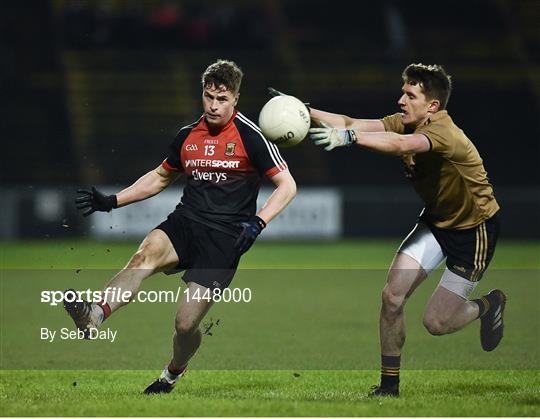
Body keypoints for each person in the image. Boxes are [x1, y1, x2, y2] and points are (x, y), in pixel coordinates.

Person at [67, 59, 297, 394]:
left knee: (185, 323)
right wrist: (113, 201)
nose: (214, 105)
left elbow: (287, 185)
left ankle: (173, 372)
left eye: (222, 99)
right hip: (186, 222)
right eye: (208, 97)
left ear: (235, 99)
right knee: (143, 255)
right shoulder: (188, 135)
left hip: (224, 239)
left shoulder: (252, 137)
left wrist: (258, 223)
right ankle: (95, 315)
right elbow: (161, 177)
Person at [275, 63, 505, 397]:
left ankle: (489, 306)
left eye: (410, 95)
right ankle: (389, 387)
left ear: (432, 106)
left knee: (436, 323)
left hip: (473, 231)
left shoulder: (445, 134)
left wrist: (350, 138)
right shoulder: (408, 121)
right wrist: (302, 111)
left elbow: (401, 145)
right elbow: (351, 122)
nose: (401, 100)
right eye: (403, 92)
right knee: (392, 296)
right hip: (437, 222)